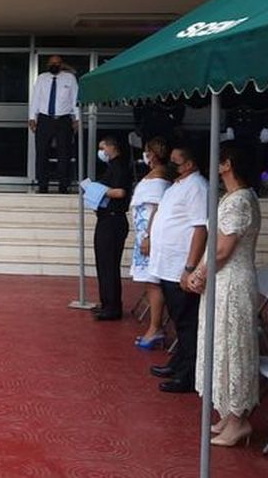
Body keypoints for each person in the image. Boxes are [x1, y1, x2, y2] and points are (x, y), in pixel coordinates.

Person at [186, 142, 261, 447]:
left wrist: (199, 273)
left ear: (228, 164)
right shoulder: (234, 197)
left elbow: (223, 248)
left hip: (231, 280)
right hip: (222, 279)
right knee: (221, 345)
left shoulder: (240, 200)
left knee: (233, 347)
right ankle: (229, 414)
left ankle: (239, 418)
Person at [148, 142, 209, 394]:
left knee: (187, 322)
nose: (171, 165)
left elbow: (199, 228)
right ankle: (178, 362)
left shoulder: (197, 187)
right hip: (166, 263)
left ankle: (188, 374)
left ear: (189, 164)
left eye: (176, 161)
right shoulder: (178, 184)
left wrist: (190, 266)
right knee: (178, 318)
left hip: (180, 266)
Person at [131, 137, 172, 349]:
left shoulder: (160, 181)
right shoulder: (152, 177)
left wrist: (149, 236)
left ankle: (155, 327)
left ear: (153, 155)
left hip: (151, 237)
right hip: (143, 235)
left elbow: (157, 210)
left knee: (153, 283)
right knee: (149, 282)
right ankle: (154, 326)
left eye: (147, 151)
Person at [87, 136, 132, 320]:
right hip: (106, 218)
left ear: (111, 147)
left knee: (109, 264)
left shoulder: (120, 166)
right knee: (104, 263)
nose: (101, 152)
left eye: (102, 147)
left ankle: (112, 306)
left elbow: (120, 191)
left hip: (114, 219)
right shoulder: (112, 166)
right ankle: (107, 302)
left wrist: (97, 189)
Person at [29, 55, 80, 193]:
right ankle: (42, 185)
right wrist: (32, 117)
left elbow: (75, 98)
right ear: (47, 65)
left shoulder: (69, 78)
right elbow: (35, 98)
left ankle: (63, 185)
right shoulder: (41, 78)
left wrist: (77, 118)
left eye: (57, 63)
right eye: (52, 63)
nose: (54, 65)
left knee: (64, 153)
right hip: (45, 119)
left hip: (63, 119)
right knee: (42, 152)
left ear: (61, 64)